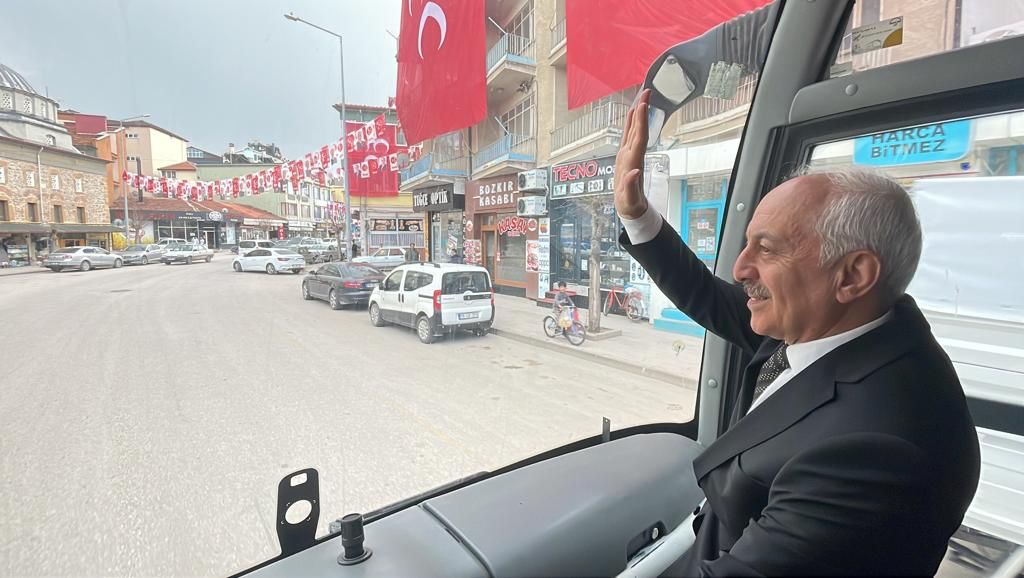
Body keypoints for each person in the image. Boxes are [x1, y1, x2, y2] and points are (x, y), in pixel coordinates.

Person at [614, 89, 979, 577]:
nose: (740, 268)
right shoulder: (847, 327)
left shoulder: (874, 455)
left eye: (766, 249)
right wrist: (636, 214)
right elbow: (709, 297)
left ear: (852, 276)